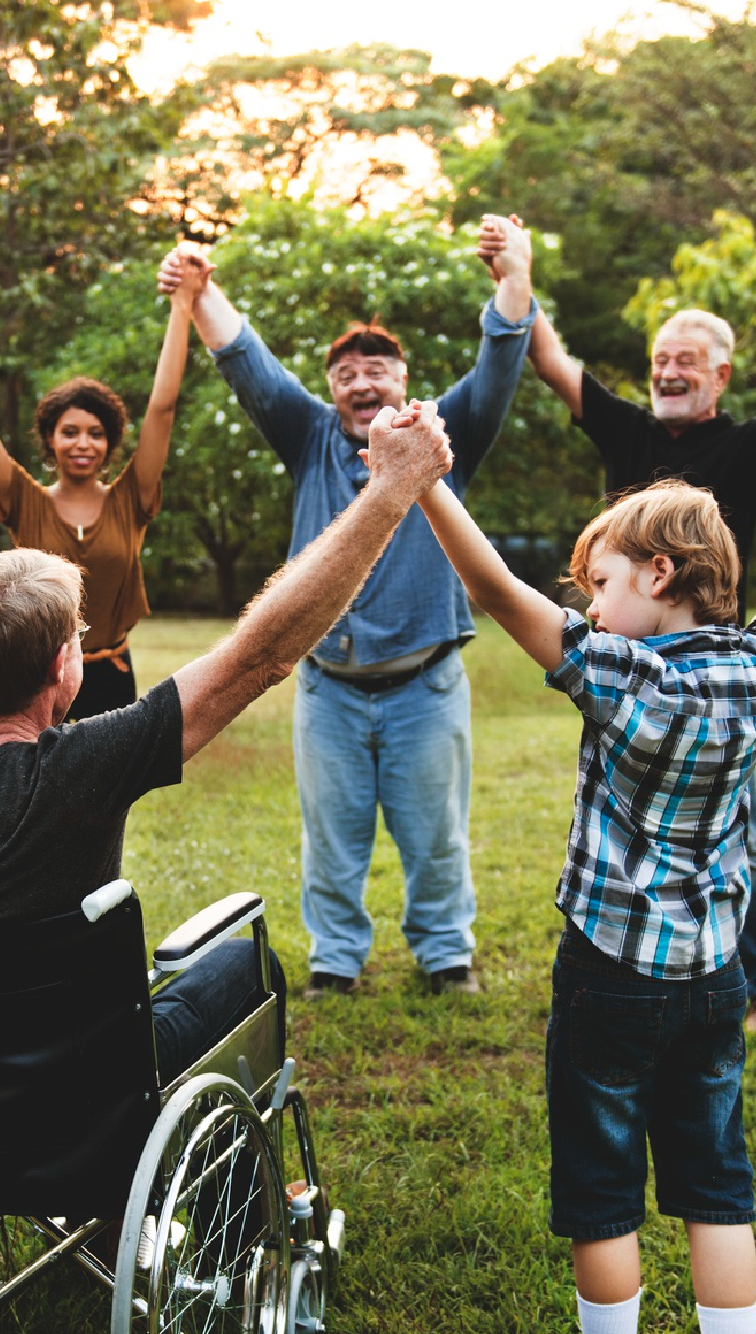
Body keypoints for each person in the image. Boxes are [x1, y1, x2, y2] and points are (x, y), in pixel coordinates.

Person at [0, 319, 464, 1067]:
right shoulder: (89, 763)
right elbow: (265, 654)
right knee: (252, 969)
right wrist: (388, 493)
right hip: (77, 1074)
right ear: (66, 667)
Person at [416, 402, 756, 1334]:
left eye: (600, 582)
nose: (589, 604)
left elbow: (488, 589)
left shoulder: (619, 673)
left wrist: (422, 482)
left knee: (602, 1184)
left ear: (660, 575)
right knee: (715, 1178)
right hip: (714, 974)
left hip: (609, 971)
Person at [159, 223, 534, 998]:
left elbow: (500, 359)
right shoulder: (307, 439)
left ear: (404, 380)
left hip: (425, 686)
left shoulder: (444, 436)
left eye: (378, 369)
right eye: (347, 373)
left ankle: (444, 957)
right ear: (332, 390)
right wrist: (200, 287)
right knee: (332, 841)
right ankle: (335, 960)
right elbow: (245, 362)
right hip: (328, 687)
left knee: (435, 840)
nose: (363, 383)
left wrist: (515, 272)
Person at [499, 215, 756, 1033]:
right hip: (631, 655)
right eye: (660, 361)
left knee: (735, 825)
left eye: (686, 361)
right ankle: (663, 954)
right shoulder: (630, 429)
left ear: (721, 373)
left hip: (712, 659)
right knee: (642, 810)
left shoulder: (751, 441)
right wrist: (518, 271)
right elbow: (548, 359)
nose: (669, 373)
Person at [0, 267, 198, 718]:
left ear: (111, 443)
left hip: (110, 673)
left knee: (110, 790)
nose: (82, 443)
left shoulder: (130, 499)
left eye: (95, 433)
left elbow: (163, 406)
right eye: (69, 432)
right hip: (31, 677)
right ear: (50, 440)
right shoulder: (24, 499)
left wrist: (182, 305)